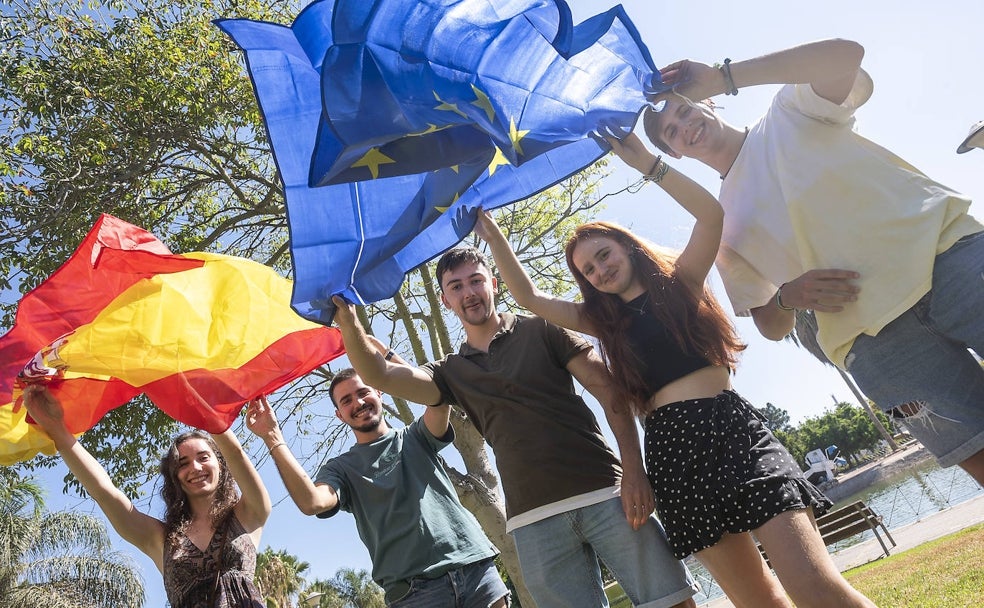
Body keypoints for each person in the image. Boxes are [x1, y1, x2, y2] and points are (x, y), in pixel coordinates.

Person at [475, 142, 874, 607]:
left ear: (625, 245)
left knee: (815, 588)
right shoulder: (601, 321)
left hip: (733, 431)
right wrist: (494, 236)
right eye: (588, 270)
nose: (600, 270)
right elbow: (529, 298)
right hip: (672, 454)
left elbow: (710, 215)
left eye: (604, 255)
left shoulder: (681, 281)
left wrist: (647, 163)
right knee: (758, 600)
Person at [638, 38, 984, 486]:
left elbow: (847, 55)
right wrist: (787, 297)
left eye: (683, 109)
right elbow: (769, 323)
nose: (684, 125)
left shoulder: (789, 111)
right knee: (974, 452)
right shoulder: (720, 224)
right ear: (674, 153)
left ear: (707, 104)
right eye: (670, 130)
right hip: (877, 344)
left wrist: (725, 76)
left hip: (951, 262)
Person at [328, 251, 698, 608]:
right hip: (532, 522)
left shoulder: (544, 327)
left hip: (606, 494)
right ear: (445, 300)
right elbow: (379, 374)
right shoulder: (450, 372)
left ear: (493, 283)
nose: (468, 293)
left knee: (672, 600)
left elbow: (611, 393)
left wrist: (633, 471)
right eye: (456, 287)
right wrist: (349, 321)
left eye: (475, 281)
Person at [245, 366, 509, 608]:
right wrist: (272, 438)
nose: (358, 403)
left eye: (363, 392)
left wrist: (386, 363)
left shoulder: (416, 436)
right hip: (416, 593)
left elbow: (438, 399)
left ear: (379, 392)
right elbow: (313, 501)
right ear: (339, 414)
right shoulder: (340, 469)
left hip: (475, 570)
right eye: (346, 400)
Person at [21, 384, 270, 608]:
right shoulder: (160, 538)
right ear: (174, 476)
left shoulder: (250, 513)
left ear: (221, 465)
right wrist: (58, 430)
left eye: (204, 457)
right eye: (182, 463)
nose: (195, 467)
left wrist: (206, 407)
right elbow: (105, 493)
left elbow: (235, 454)